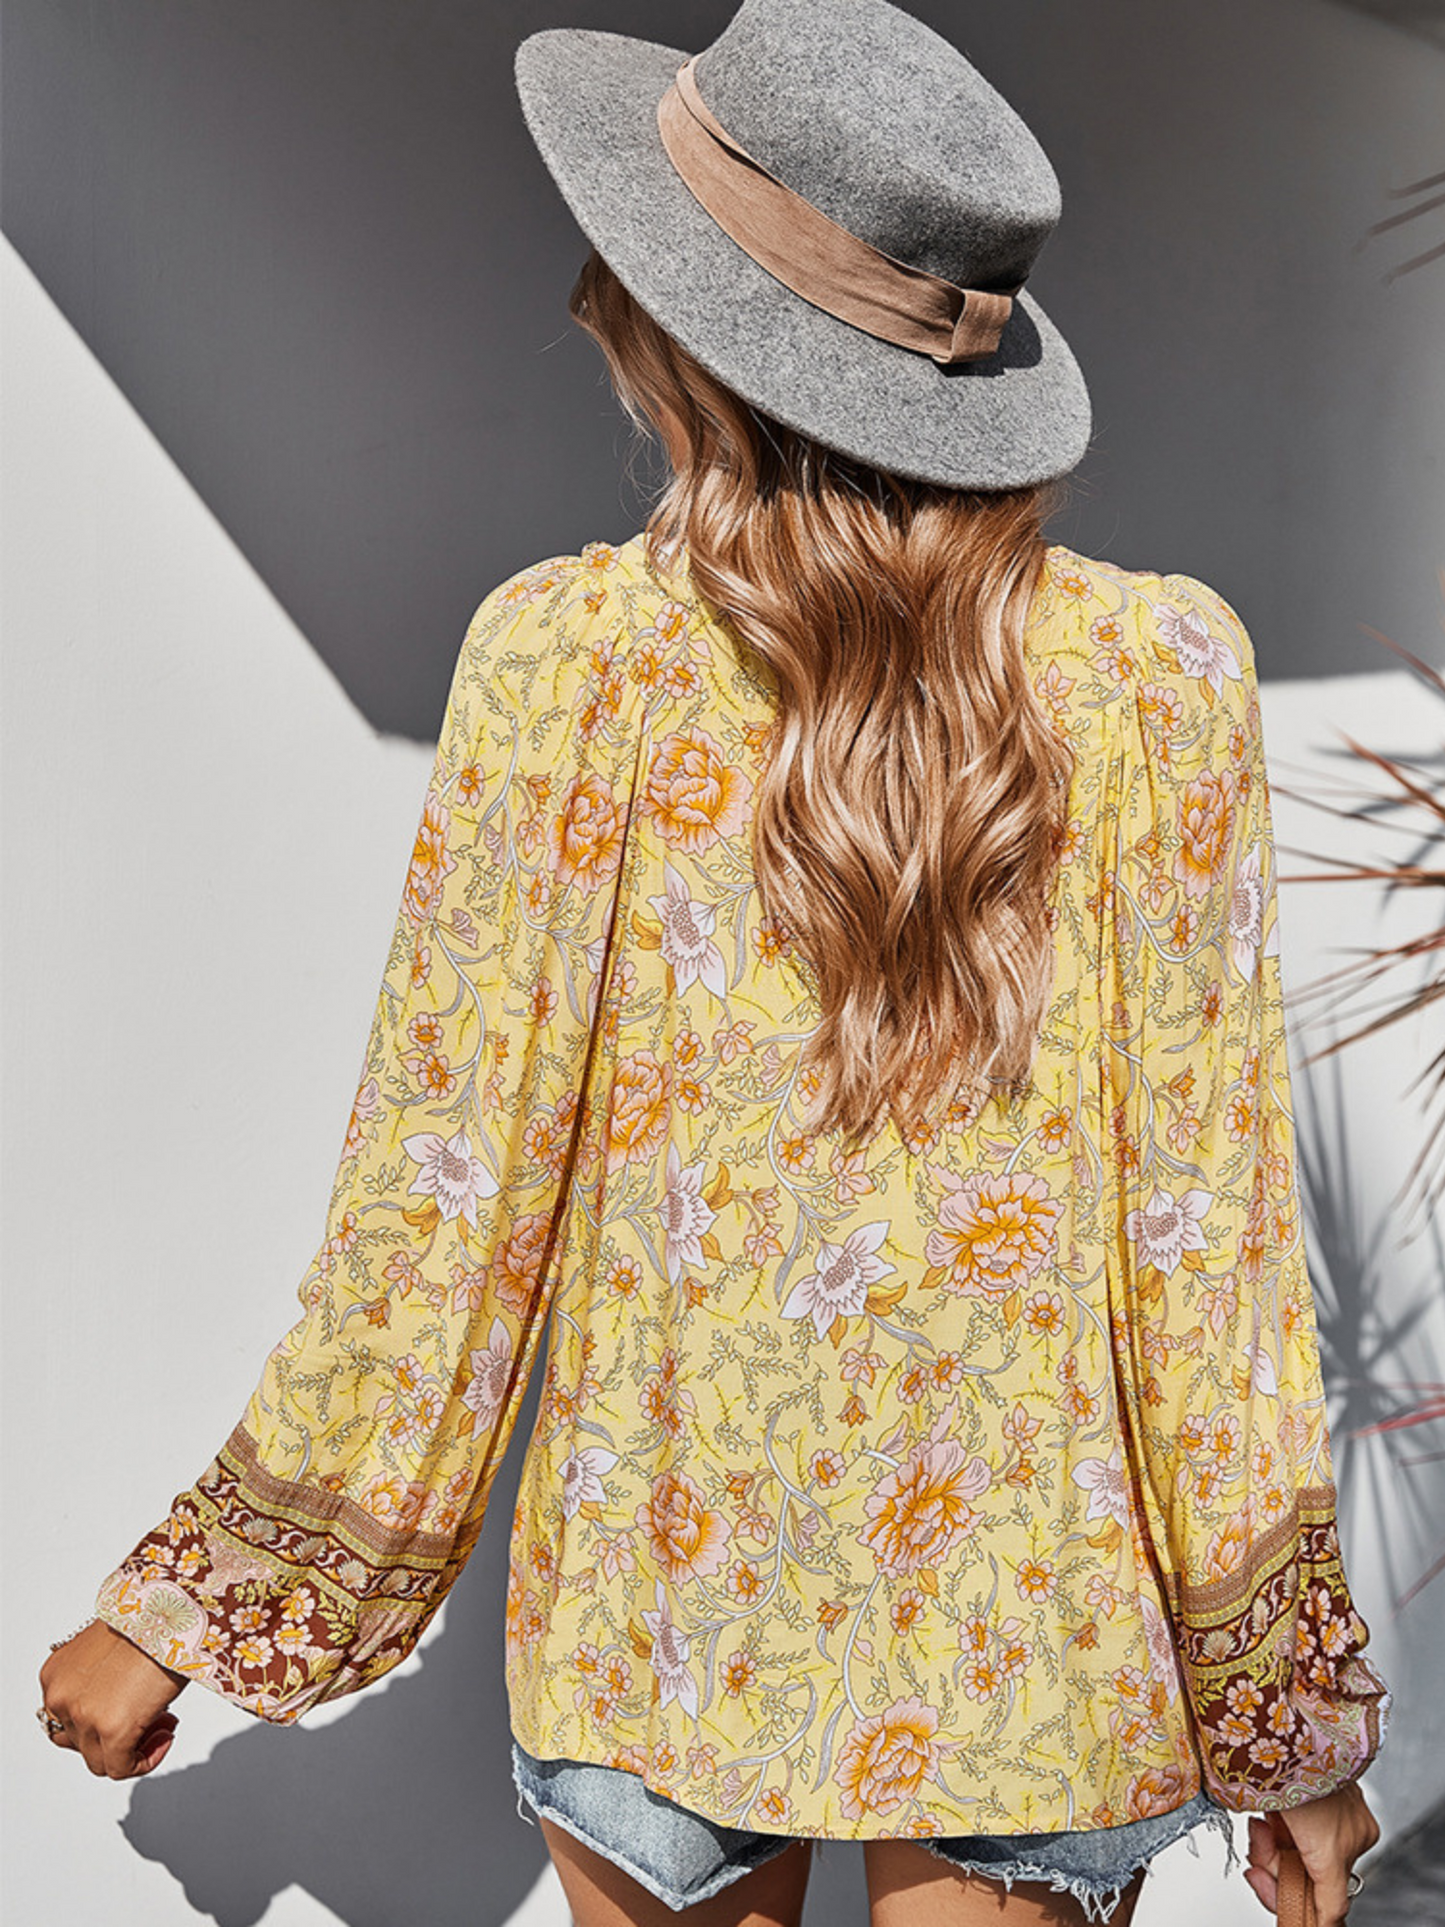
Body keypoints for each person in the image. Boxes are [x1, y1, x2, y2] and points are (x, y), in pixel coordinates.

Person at [39, 3, 1390, 1924]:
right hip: (1030, 1639)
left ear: (676, 329)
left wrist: (188, 1607)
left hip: (663, 1605)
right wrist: (1295, 1730)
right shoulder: (1159, 676)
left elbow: (449, 1198)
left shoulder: (569, 664)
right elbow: (1211, 1254)